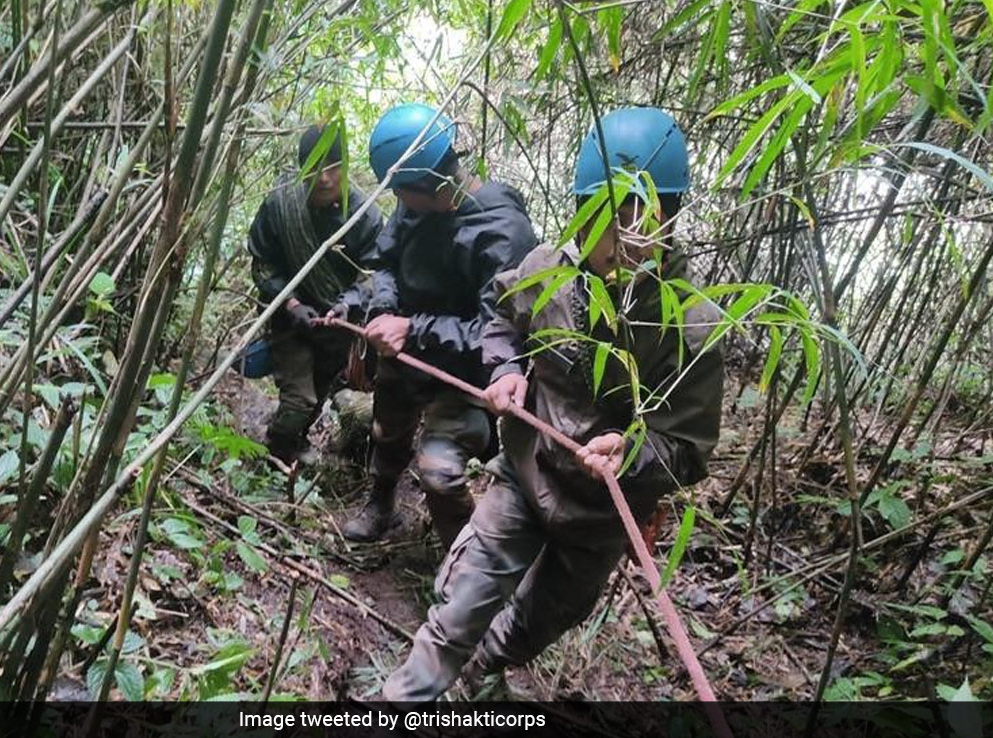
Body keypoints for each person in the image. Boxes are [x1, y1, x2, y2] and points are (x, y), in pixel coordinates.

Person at [382, 107, 725, 700]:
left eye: (641, 218)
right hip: (526, 473)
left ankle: (477, 679)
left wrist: (631, 453)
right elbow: (501, 317)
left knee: (531, 626)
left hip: (600, 520)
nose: (622, 239)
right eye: (605, 216)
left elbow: (688, 450)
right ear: (580, 212)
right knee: (459, 606)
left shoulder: (693, 328)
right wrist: (506, 370)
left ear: (669, 218)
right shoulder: (545, 271)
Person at [329, 103, 536, 546]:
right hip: (404, 360)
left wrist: (413, 328)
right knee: (387, 432)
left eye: (401, 193)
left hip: (462, 375)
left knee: (439, 473)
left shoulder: (503, 231)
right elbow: (384, 262)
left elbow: (497, 332)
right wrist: (383, 312)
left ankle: (466, 556)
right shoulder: (414, 206)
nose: (399, 203)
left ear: (429, 184)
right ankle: (381, 504)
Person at [247, 124, 384, 464]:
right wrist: (291, 302)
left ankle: (297, 440)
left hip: (337, 325)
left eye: (333, 166)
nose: (324, 178)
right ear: (302, 167)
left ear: (346, 166)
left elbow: (373, 273)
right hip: (288, 320)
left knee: (319, 393)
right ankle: (275, 452)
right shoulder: (281, 204)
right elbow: (262, 264)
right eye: (315, 167)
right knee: (300, 400)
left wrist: (348, 304)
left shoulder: (363, 214)